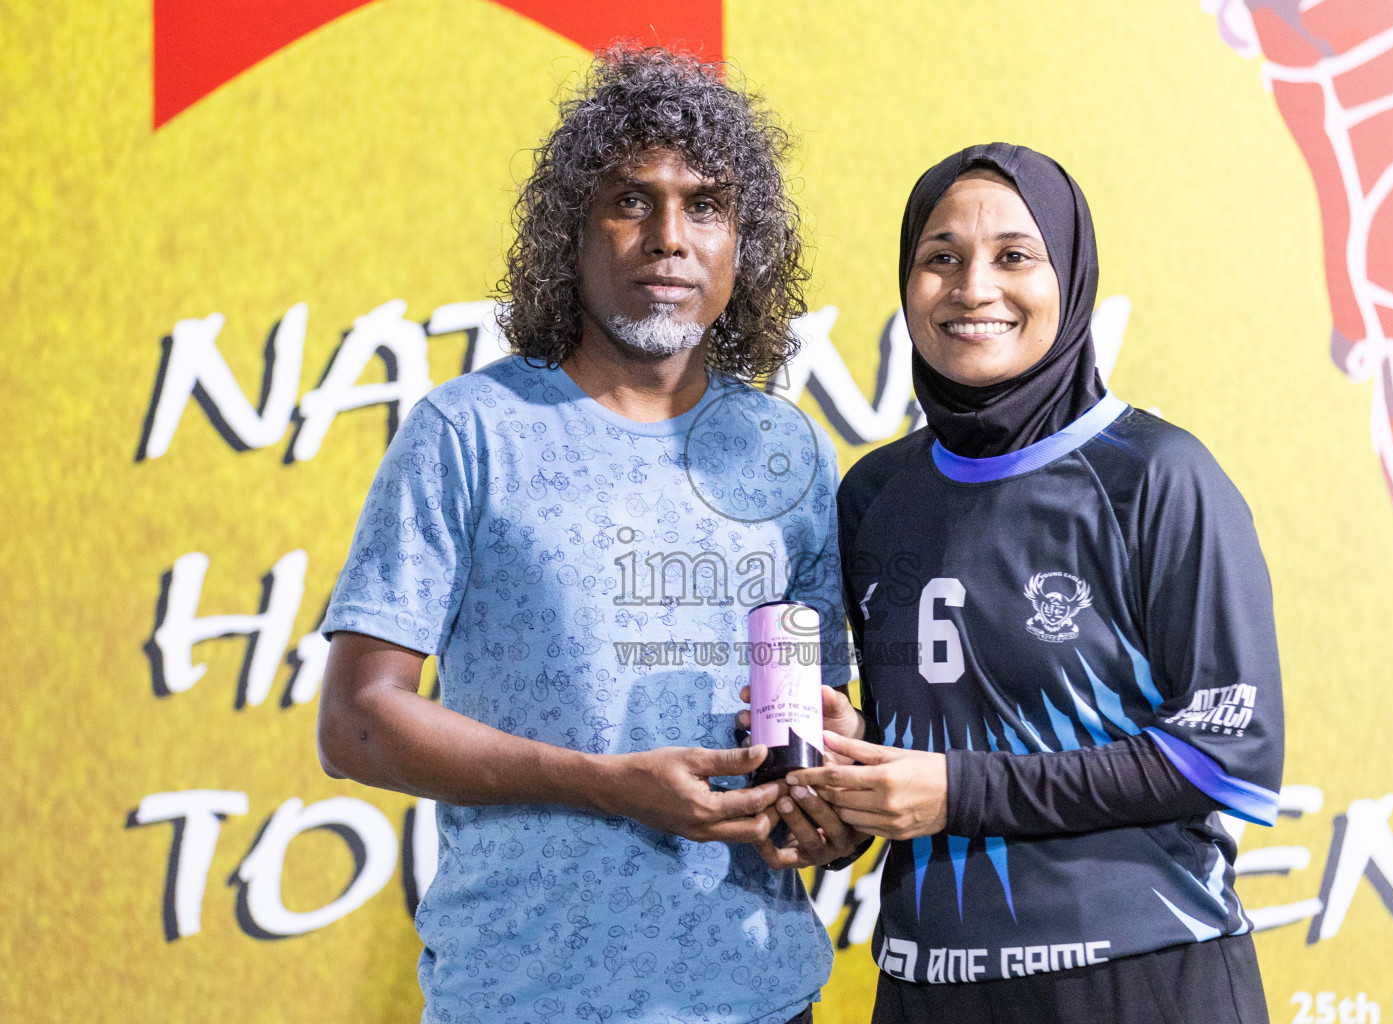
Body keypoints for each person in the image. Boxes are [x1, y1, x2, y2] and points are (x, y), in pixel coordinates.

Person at [315, 47, 860, 1024]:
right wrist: (606, 785)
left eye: (705, 205)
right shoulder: (468, 433)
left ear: (746, 244)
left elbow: (806, 728)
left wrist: (825, 801)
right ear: (572, 232)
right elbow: (357, 719)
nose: (669, 237)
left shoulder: (789, 454)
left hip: (758, 998)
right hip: (525, 999)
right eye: (630, 200)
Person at [788, 143, 1284, 1023]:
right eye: (940, 257)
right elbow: (941, 729)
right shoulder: (873, 495)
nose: (974, 287)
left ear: (1073, 277)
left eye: (1016, 256)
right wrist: (850, 772)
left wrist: (958, 791)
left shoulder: (1156, 475)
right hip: (924, 983)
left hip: (1139, 978)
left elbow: (1225, 751)